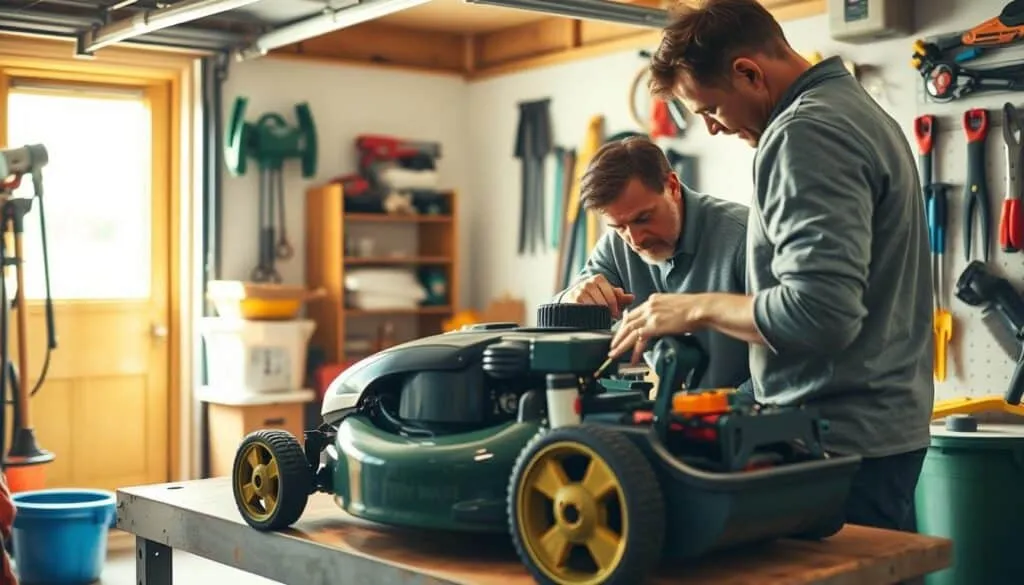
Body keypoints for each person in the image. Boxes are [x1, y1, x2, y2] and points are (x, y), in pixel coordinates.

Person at [609, 0, 933, 533]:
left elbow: (819, 313)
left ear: (748, 73)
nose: (712, 129)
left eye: (710, 109)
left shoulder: (806, 134)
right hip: (872, 434)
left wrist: (696, 307)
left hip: (835, 441)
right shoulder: (854, 109)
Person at [555, 135, 751, 391]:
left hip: (751, 416)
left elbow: (790, 351)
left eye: (643, 218)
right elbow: (558, 325)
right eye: (619, 227)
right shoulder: (616, 247)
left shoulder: (745, 237)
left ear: (672, 186)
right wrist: (572, 300)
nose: (635, 240)